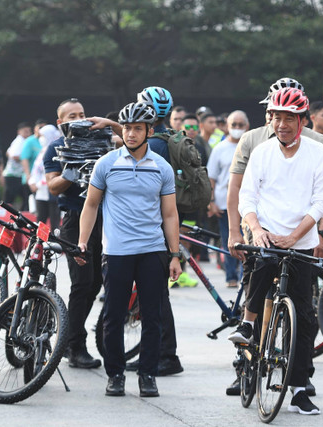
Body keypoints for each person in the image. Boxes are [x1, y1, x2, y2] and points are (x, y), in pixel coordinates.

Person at [226, 77, 323, 398]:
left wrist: (302, 236)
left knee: (304, 318)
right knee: (258, 285)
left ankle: (299, 385)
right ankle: (246, 350)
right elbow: (244, 195)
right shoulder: (257, 147)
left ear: (302, 119)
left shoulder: (318, 149)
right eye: (276, 116)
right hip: (264, 237)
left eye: (289, 117)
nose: (282, 123)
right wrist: (254, 230)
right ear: (269, 116)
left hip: (301, 240)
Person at [77, 102, 181, 398]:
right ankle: (116, 375)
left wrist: (175, 255)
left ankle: (148, 375)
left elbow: (170, 214)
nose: (131, 134)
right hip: (117, 252)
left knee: (152, 316)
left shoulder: (161, 167)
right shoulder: (107, 163)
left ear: (150, 130)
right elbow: (91, 204)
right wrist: (84, 240)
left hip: (152, 250)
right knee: (113, 316)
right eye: (127, 128)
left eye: (138, 128)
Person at [43, 98, 105, 369]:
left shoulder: (101, 142)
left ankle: (70, 337)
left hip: (104, 219)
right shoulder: (55, 148)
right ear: (60, 122)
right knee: (82, 282)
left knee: (94, 284)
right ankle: (74, 345)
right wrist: (72, 166)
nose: (78, 118)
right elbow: (53, 187)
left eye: (81, 113)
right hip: (74, 221)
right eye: (71, 115)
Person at [128, 86, 185, 375]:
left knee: (157, 297)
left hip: (156, 230)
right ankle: (158, 353)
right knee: (157, 295)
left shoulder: (154, 148)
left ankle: (166, 356)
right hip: (168, 225)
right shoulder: (171, 139)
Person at [206, 110, 248, 287]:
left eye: (240, 125)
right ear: (227, 127)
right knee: (229, 240)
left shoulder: (251, 148)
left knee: (247, 243)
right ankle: (231, 276)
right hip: (224, 204)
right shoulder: (219, 149)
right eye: (234, 125)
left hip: (248, 206)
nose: (237, 128)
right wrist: (211, 201)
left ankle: (244, 276)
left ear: (247, 126)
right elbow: (211, 178)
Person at [3, 122, 31, 210]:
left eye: (29, 131)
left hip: (18, 174)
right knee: (10, 199)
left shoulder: (23, 141)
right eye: (25, 131)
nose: (27, 133)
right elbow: (14, 156)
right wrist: (26, 158)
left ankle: (23, 214)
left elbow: (8, 152)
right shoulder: (19, 141)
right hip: (13, 175)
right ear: (19, 132)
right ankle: (5, 215)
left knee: (25, 197)